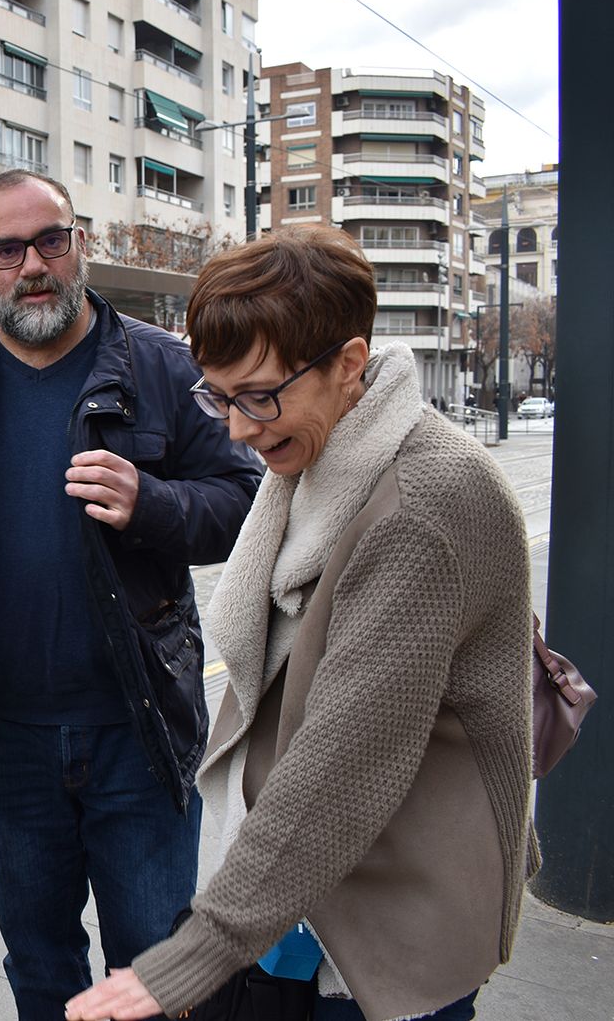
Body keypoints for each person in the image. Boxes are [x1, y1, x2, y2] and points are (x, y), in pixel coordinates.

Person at [65, 226, 535, 1021]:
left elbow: (346, 759)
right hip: (298, 897)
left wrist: (193, 956)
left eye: (260, 394)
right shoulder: (320, 458)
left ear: (350, 365)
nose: (239, 429)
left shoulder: (423, 504)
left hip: (395, 912)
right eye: (217, 396)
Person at [0, 169, 262, 1018]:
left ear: (81, 245)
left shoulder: (163, 367)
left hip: (138, 730)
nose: (32, 264)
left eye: (50, 240)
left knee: (153, 969)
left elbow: (248, 498)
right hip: (4, 743)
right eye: (8, 249)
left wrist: (155, 503)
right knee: (39, 961)